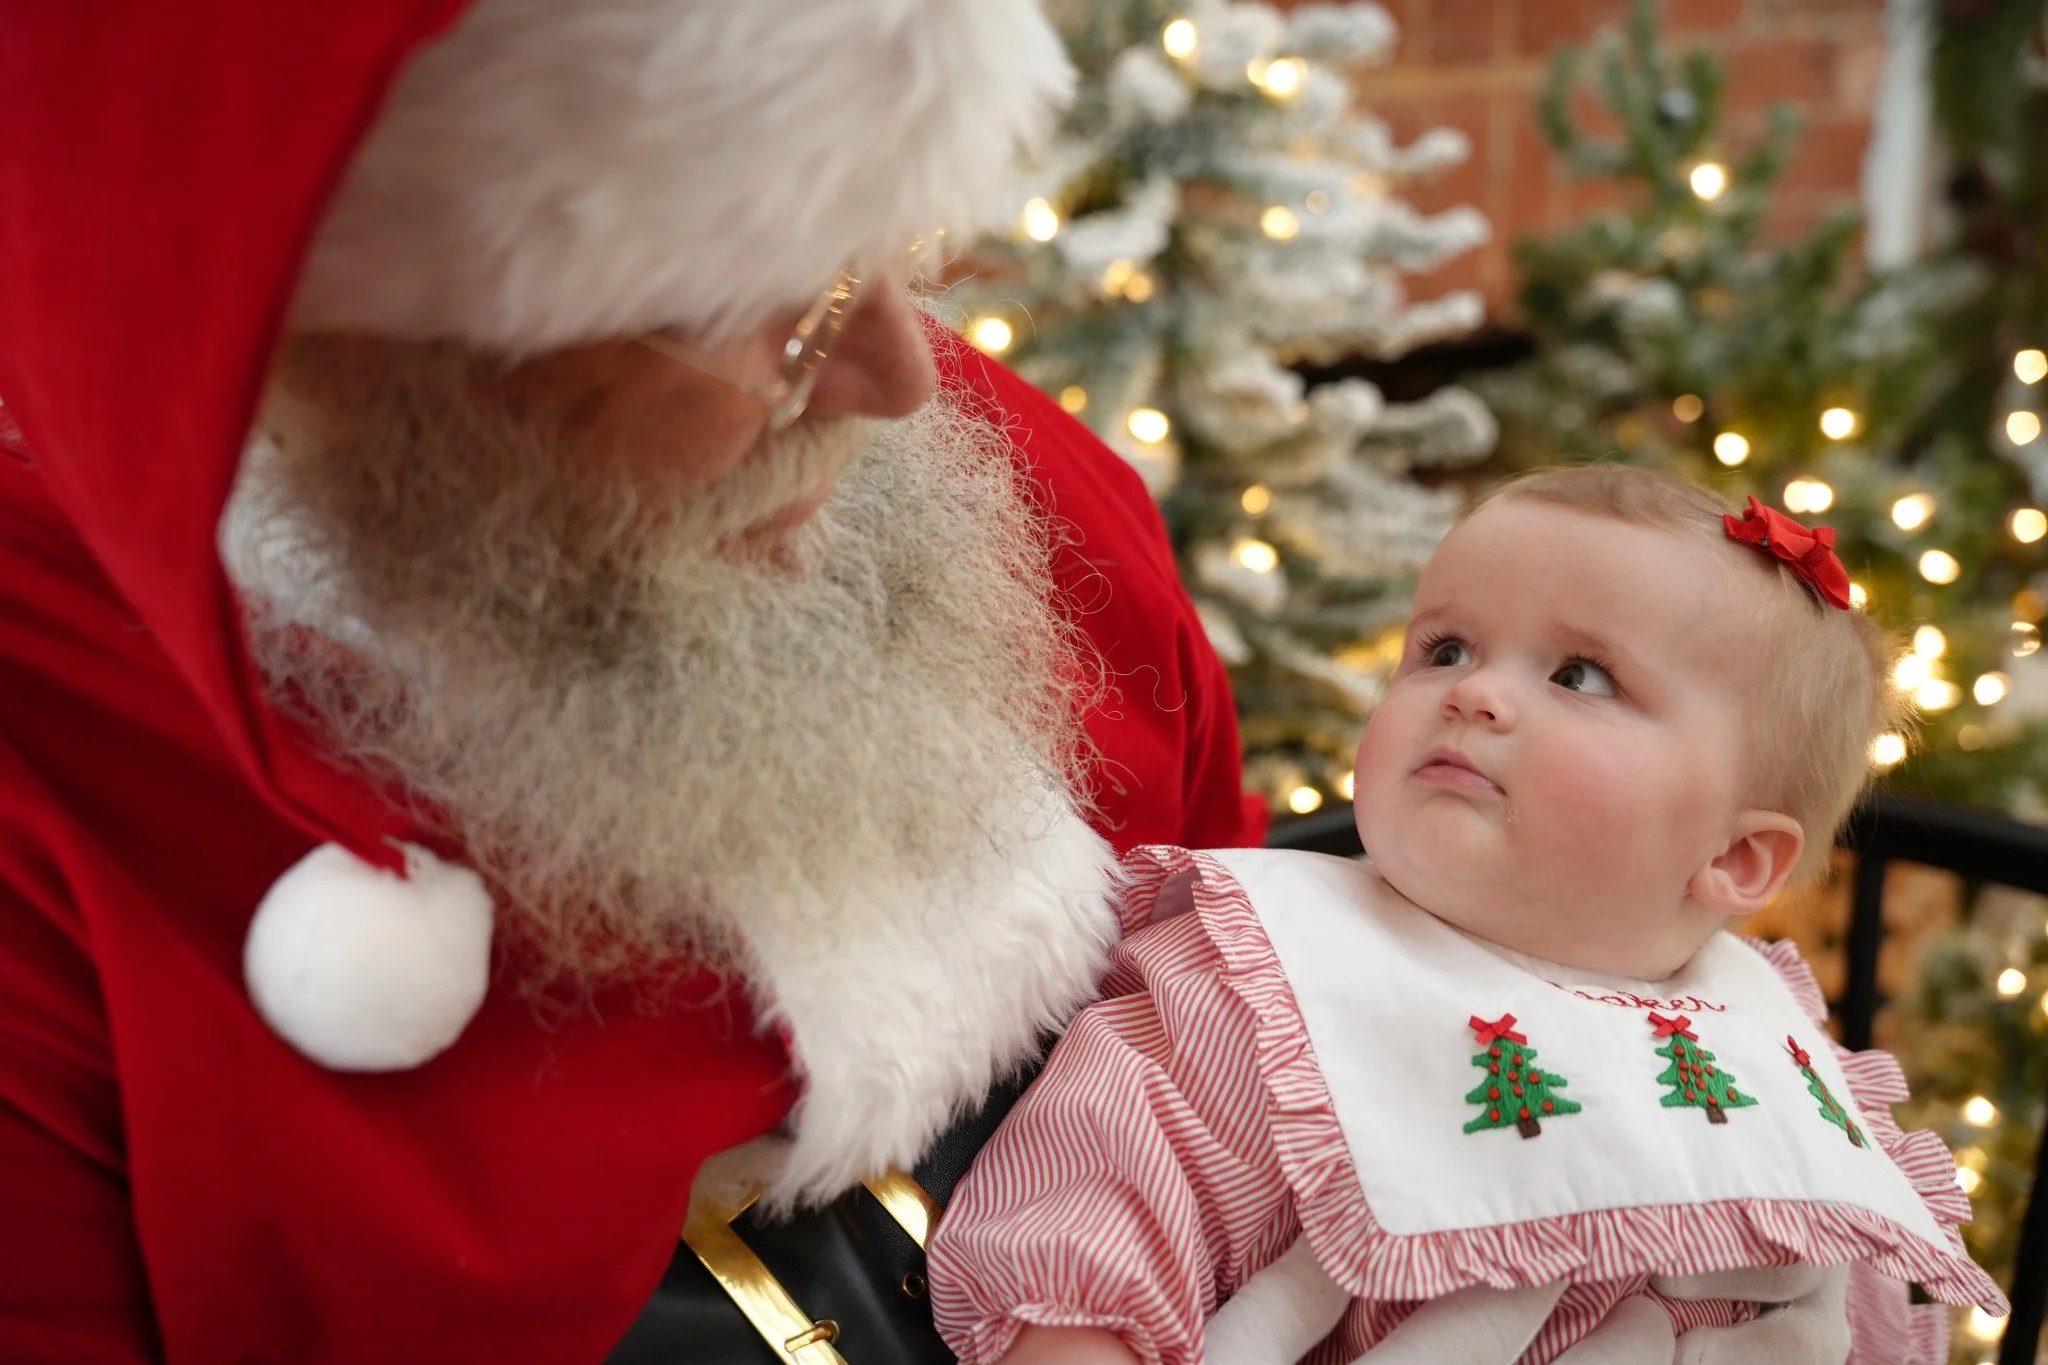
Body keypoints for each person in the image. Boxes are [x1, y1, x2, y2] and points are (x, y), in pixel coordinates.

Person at [0, 3, 1272, 1362]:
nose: (904, 377)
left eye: (878, 250)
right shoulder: (53, 796)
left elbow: (1270, 1007)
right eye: (779, 322)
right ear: (372, 369)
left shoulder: (1022, 502)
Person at [928, 467, 2003, 1365]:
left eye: (1579, 675)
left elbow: (1854, 1322)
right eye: (1443, 648)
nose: (1473, 694)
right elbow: (1087, 1244)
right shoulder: (1259, 985)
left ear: (1728, 857)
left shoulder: (1762, 1040)